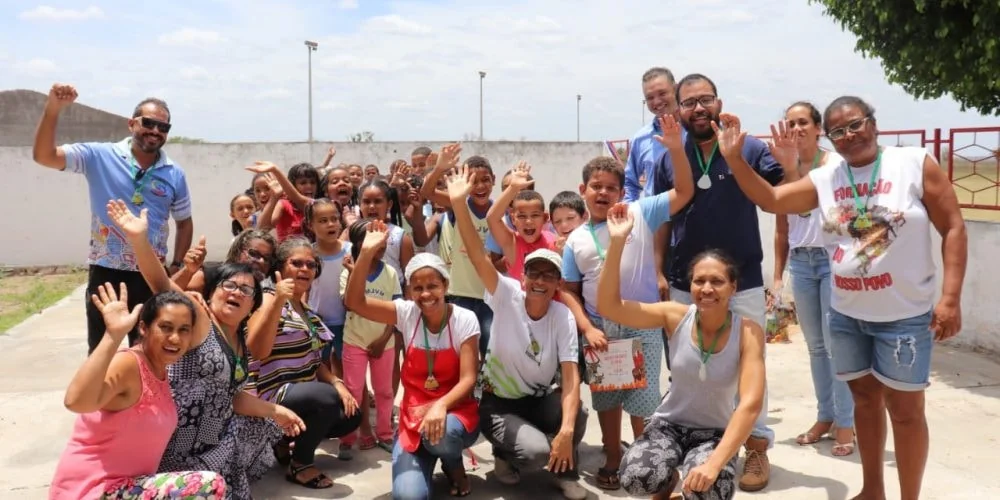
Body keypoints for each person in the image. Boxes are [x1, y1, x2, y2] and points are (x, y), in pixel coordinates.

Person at [717, 96, 967, 500]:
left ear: (873, 122)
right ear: (830, 136)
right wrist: (734, 158)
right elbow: (771, 200)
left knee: (905, 414)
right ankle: (872, 490)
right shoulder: (827, 178)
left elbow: (953, 226)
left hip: (903, 316)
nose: (849, 136)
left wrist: (950, 298)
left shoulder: (915, 164)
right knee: (865, 404)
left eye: (855, 124)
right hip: (848, 314)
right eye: (839, 131)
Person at [651, 73, 801, 492]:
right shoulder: (671, 155)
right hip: (687, 282)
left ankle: (756, 447)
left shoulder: (748, 147)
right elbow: (663, 217)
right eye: (689, 102)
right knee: (686, 369)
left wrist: (790, 164)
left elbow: (783, 194)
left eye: (706, 100)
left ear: (719, 103)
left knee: (752, 369)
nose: (698, 109)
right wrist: (659, 269)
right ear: (678, 110)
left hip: (744, 280)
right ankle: (692, 443)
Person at [107, 200, 306, 499]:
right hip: (175, 441)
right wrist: (139, 240)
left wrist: (277, 411)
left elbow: (232, 395)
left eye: (246, 290)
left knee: (262, 425)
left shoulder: (239, 337)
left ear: (253, 304)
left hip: (211, 438)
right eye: (229, 285)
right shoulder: (200, 321)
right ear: (211, 293)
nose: (236, 292)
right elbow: (161, 285)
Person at [561, 114, 694, 491]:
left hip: (643, 322)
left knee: (645, 397)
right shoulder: (576, 240)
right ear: (582, 190)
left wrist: (675, 150)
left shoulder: (641, 212)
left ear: (623, 192)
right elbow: (568, 290)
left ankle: (649, 459)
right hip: (601, 329)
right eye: (595, 186)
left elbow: (684, 191)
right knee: (606, 396)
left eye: (611, 187)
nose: (603, 193)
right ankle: (613, 456)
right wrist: (586, 327)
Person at [597, 205, 766, 499]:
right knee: (637, 478)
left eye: (717, 281)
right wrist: (617, 242)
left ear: (733, 287)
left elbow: (750, 405)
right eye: (699, 281)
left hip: (715, 434)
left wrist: (713, 465)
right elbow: (610, 307)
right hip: (668, 426)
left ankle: (691, 480)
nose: (707, 288)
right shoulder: (675, 316)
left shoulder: (748, 332)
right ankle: (667, 483)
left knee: (709, 491)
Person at [448, 165, 589, 499]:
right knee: (535, 452)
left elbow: (570, 378)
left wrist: (567, 430)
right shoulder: (506, 294)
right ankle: (504, 452)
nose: (540, 281)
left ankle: (564, 470)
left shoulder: (562, 314)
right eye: (534, 274)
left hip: (537, 399)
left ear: (558, 283)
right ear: (522, 278)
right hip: (500, 403)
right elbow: (479, 256)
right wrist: (458, 204)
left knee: (577, 413)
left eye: (548, 276)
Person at [31, 83, 194, 353]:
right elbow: (44, 156)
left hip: (152, 275)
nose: (155, 131)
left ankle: (145, 397)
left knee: (151, 353)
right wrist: (53, 110)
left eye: (163, 127)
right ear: (132, 123)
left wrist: (176, 266)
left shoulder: (174, 173)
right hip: (107, 272)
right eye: (149, 123)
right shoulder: (98, 155)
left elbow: (184, 221)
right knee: (103, 351)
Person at [50, 284, 227, 500]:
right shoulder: (129, 364)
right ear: (143, 328)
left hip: (129, 487)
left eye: (184, 329)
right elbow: (76, 402)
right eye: (165, 327)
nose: (175, 338)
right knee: (207, 485)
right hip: (95, 490)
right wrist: (112, 336)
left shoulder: (161, 371)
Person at [344, 223, 480, 499]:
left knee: (443, 437)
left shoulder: (465, 319)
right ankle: (426, 454)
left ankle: (454, 465)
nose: (426, 294)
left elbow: (468, 378)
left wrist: (441, 406)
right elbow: (355, 302)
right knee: (408, 496)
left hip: (455, 414)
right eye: (417, 288)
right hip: (414, 417)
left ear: (445, 285)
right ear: (409, 291)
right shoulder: (406, 313)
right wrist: (366, 254)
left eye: (433, 286)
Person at [772, 101, 856, 456]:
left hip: (831, 261)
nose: (797, 128)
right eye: (790, 122)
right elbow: (782, 225)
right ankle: (825, 416)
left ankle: (846, 424)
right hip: (802, 265)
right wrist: (777, 275)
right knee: (816, 346)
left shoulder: (835, 166)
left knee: (838, 345)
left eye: (803, 121)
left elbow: (840, 220)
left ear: (818, 127)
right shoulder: (781, 169)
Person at [247, 237, 364, 489]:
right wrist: (278, 302)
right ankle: (300, 464)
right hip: (272, 394)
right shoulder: (268, 298)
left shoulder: (305, 309)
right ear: (280, 266)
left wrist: (337, 382)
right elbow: (256, 351)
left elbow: (314, 361)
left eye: (310, 265)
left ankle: (281, 442)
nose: (304, 269)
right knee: (326, 399)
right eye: (296, 263)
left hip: (303, 391)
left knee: (351, 413)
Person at [624, 67, 682, 202]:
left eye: (662, 93)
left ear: (676, 89)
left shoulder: (695, 129)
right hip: (656, 219)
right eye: (650, 97)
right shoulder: (641, 138)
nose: (656, 102)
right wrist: (631, 212)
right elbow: (629, 183)